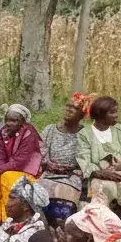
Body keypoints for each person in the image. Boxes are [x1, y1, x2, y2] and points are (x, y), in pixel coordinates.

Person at [0, 104, 42, 232]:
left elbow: (19, 163)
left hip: (27, 172)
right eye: (7, 120)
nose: (9, 123)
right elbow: (0, 156)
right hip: (8, 169)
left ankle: (7, 220)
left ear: (22, 122)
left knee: (6, 177)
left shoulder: (29, 133)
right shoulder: (3, 132)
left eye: (14, 120)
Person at [75, 95, 121, 214]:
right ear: (101, 114)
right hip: (98, 176)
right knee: (103, 190)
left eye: (116, 111)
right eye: (112, 112)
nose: (116, 115)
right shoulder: (85, 134)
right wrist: (103, 173)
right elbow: (84, 161)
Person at [37, 93, 87, 222]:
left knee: (64, 192)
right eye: (68, 106)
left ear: (81, 115)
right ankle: (42, 226)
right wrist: (48, 164)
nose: (69, 110)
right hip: (48, 173)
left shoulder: (85, 135)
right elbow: (40, 153)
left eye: (74, 108)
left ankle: (62, 228)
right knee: (38, 190)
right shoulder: (50, 130)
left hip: (71, 176)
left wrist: (66, 169)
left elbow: (84, 160)